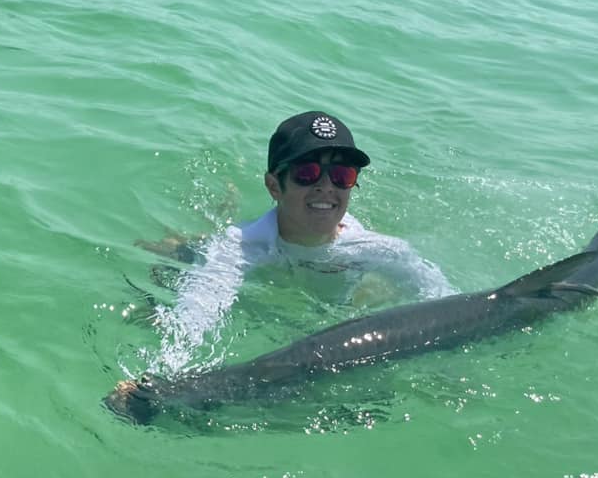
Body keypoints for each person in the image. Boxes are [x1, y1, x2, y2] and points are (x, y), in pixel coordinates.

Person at [140, 111, 454, 369]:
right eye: (308, 173)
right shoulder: (238, 249)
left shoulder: (381, 250)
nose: (326, 187)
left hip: (338, 299)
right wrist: (162, 373)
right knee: (175, 259)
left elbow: (447, 304)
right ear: (274, 186)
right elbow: (197, 315)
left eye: (342, 175)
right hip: (261, 263)